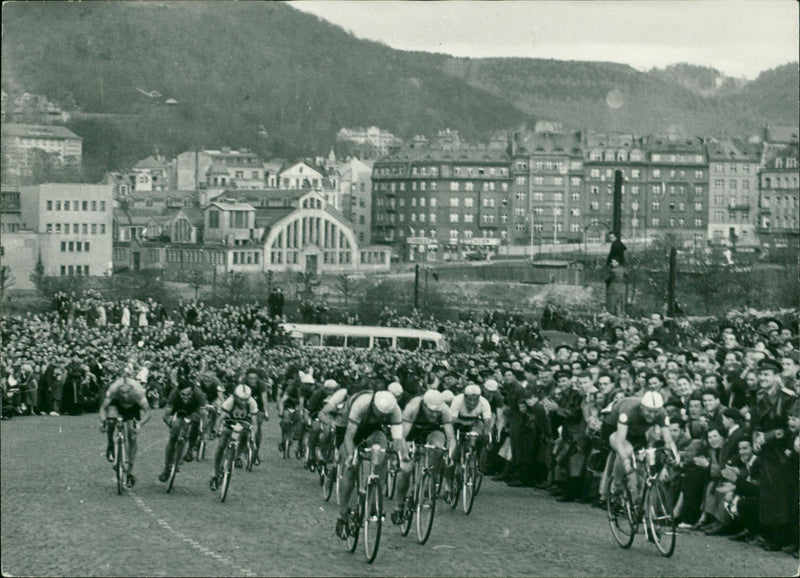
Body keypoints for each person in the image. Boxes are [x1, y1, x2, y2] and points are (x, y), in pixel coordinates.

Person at [336, 390, 404, 540]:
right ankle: (342, 516)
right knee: (351, 468)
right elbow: (348, 437)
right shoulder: (361, 405)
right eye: (381, 415)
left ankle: (373, 496)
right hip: (348, 428)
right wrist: (350, 457)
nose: (384, 418)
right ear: (373, 406)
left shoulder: (395, 410)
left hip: (373, 430)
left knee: (382, 449)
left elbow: (397, 440)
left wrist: (395, 458)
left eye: (387, 415)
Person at [390, 389, 456, 525]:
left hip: (433, 431)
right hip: (412, 430)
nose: (433, 414)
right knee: (406, 470)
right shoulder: (413, 407)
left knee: (438, 447)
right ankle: (398, 506)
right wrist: (404, 452)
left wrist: (449, 455)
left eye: (436, 412)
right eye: (431, 411)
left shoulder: (444, 410)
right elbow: (402, 435)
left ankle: (428, 479)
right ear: (424, 406)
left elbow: (451, 437)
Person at [608, 391, 680, 507]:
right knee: (627, 452)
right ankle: (616, 485)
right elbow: (620, 440)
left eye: (655, 412)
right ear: (641, 407)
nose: (652, 415)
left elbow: (668, 441)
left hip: (636, 430)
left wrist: (673, 455)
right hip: (613, 428)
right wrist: (626, 462)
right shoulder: (628, 410)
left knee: (642, 458)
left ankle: (638, 496)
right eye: (649, 411)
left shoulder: (662, 413)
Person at [99, 363, 151, 488]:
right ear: (119, 389)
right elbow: (103, 408)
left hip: (133, 408)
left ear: (132, 389)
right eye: (122, 392)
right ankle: (111, 445)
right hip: (117, 405)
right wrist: (103, 422)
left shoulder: (138, 391)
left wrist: (139, 424)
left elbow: (148, 413)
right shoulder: (113, 389)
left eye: (128, 392)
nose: (125, 395)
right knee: (111, 421)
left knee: (132, 435)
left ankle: (130, 470)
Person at [209, 384, 258, 491]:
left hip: (244, 423)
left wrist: (254, 436)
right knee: (221, 446)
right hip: (229, 423)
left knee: (245, 434)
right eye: (241, 400)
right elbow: (220, 418)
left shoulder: (252, 403)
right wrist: (217, 430)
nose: (243, 402)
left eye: (245, 400)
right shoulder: (229, 402)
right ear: (235, 397)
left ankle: (236, 456)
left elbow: (255, 423)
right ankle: (215, 473)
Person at [158, 380, 209, 482]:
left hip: (194, 410)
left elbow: (204, 417)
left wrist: (203, 432)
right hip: (178, 410)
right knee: (173, 438)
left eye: (189, 394)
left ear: (193, 392)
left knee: (196, 421)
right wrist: (171, 425)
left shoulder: (199, 394)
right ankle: (166, 467)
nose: (186, 397)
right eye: (183, 394)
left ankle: (190, 449)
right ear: (179, 392)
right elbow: (166, 415)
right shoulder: (174, 393)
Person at [244, 367, 269, 466]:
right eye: (250, 378)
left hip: (258, 407)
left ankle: (256, 452)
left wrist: (265, 411)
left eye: (255, 378)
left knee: (257, 426)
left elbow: (264, 398)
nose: (253, 380)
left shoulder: (262, 385)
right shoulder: (242, 384)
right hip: (245, 407)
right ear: (247, 378)